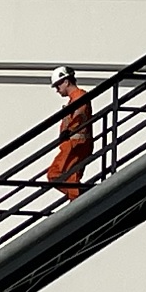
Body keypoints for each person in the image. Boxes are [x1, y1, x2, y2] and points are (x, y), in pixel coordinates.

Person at [46, 66, 92, 200]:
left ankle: (81, 196)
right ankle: (79, 197)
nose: (57, 90)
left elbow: (78, 118)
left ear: (66, 81)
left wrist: (68, 130)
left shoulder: (80, 96)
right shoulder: (74, 99)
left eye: (58, 85)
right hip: (73, 145)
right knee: (70, 178)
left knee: (55, 174)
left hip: (75, 145)